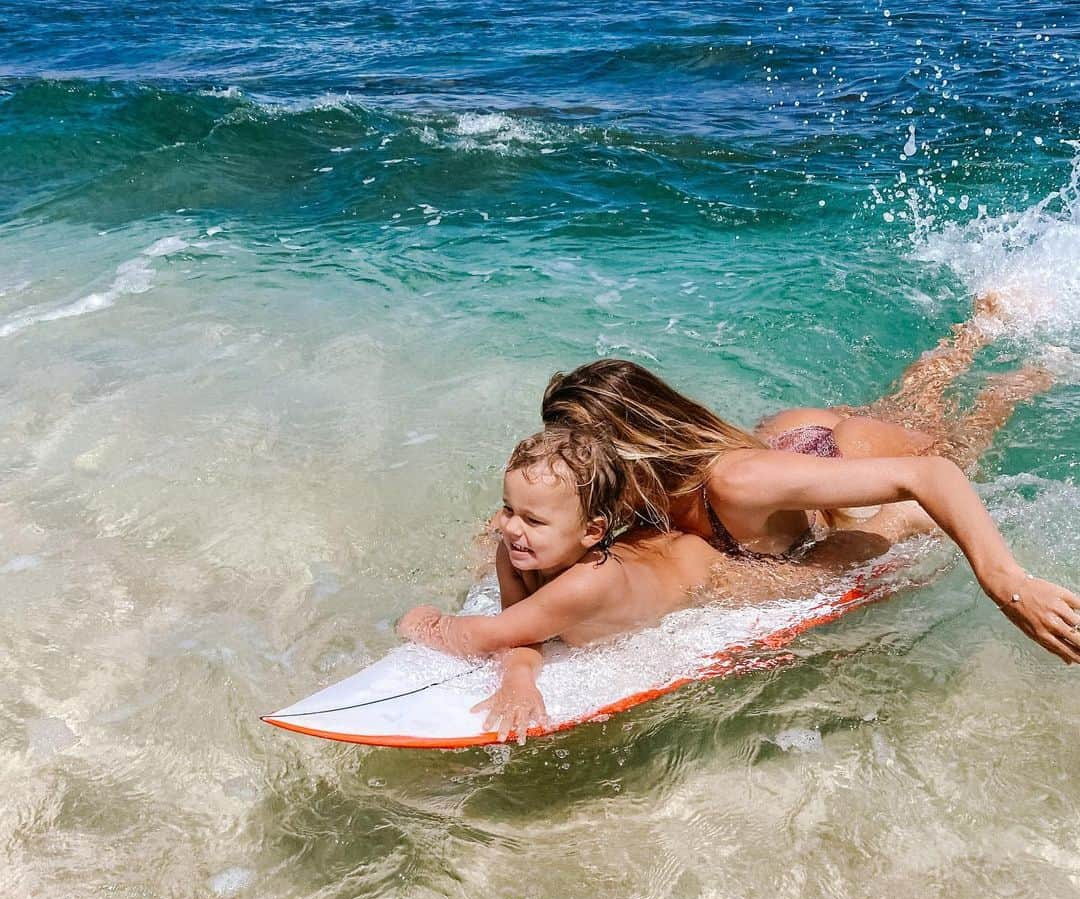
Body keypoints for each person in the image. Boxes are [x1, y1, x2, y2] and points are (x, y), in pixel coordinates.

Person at [539, 297, 1080, 668]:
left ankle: (1012, 365)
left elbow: (931, 476)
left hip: (831, 450)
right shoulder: (630, 486)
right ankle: (977, 332)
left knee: (962, 442)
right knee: (910, 401)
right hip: (790, 449)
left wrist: (1007, 583)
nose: (566, 465)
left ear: (630, 444)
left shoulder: (735, 482)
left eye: (575, 453)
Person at [399, 427, 732, 742]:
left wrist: (426, 623)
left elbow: (482, 636)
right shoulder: (512, 551)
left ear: (592, 532)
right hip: (652, 550)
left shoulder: (589, 582)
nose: (512, 527)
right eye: (508, 509)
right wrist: (518, 677)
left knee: (781, 580)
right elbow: (518, 629)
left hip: (707, 568)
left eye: (533, 520)